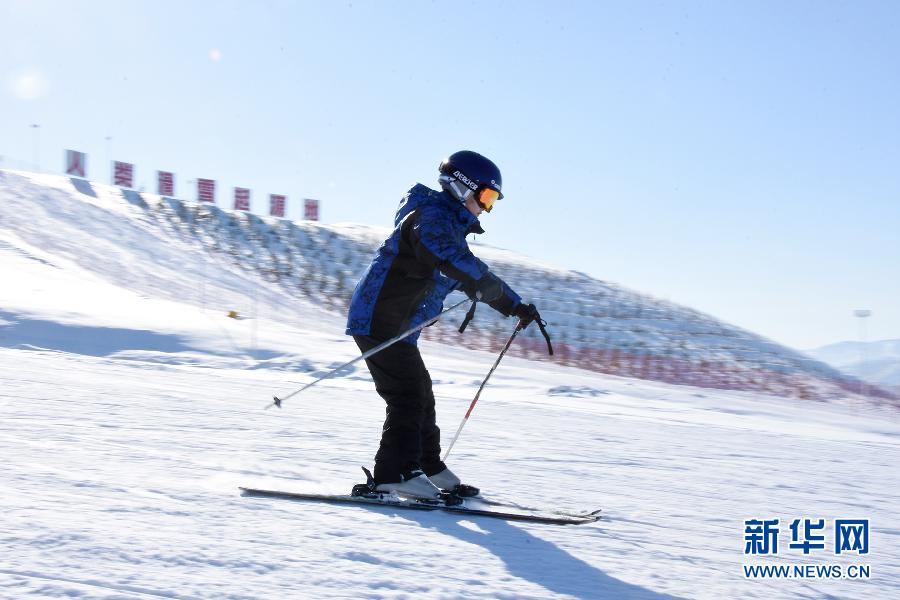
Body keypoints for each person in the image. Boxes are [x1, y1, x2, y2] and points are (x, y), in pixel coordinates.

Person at [346, 150, 541, 499]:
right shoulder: (431, 218)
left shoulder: (447, 226)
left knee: (422, 394)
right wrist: (489, 288)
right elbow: (454, 260)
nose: (487, 207)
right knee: (407, 395)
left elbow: (466, 272)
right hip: (379, 318)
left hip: (398, 323)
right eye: (486, 196)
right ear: (460, 186)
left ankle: (427, 467)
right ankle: (392, 474)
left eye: (492, 199)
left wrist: (514, 306)